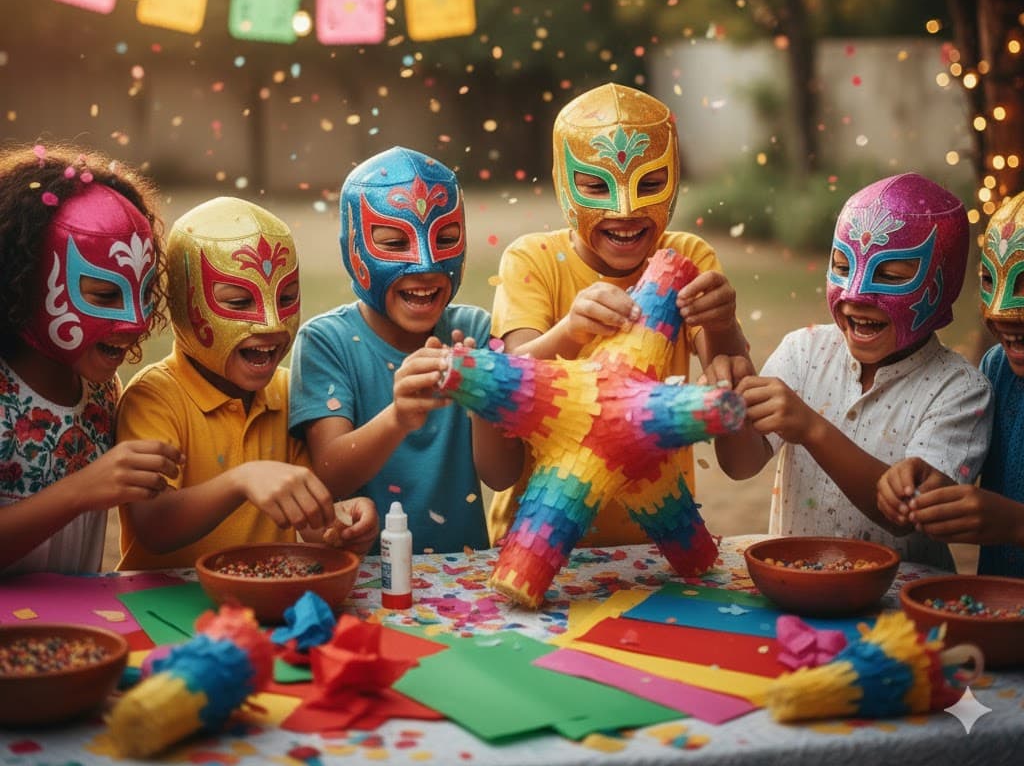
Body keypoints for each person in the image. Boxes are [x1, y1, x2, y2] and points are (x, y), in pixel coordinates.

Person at [487, 83, 750, 547]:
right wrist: (570, 331)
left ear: (674, 177)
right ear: (563, 181)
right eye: (595, 185)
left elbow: (724, 379)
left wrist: (723, 323)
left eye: (650, 184)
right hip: (538, 538)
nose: (624, 209)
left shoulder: (688, 255)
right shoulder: (532, 259)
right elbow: (508, 381)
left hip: (653, 542)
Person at [715, 172, 992, 569]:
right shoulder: (803, 350)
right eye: (842, 267)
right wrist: (729, 410)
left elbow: (905, 517)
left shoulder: (961, 391)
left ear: (939, 286)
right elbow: (741, 466)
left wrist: (811, 429)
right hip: (798, 586)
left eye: (891, 275)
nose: (854, 294)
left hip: (899, 609)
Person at [117, 196, 377, 569]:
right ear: (182, 303)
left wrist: (341, 520)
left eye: (286, 297)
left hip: (263, 605)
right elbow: (155, 527)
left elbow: (311, 525)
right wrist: (241, 481)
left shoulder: (291, 392)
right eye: (239, 301)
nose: (271, 323)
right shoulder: (154, 397)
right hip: (165, 612)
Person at [288, 146, 520, 554]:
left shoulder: (478, 330)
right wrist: (398, 417)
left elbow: (501, 476)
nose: (426, 265)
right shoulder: (325, 341)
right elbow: (328, 477)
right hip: (364, 582)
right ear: (354, 247)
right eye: (395, 243)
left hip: (462, 579)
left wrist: (485, 390)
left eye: (446, 238)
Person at [0, 143, 182, 575]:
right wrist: (82, 490)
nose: (137, 319)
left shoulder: (102, 391)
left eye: (143, 292)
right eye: (104, 294)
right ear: (23, 282)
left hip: (75, 631)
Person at [877, 190, 1024, 576]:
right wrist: (930, 483)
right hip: (999, 614)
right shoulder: (999, 368)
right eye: (990, 279)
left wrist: (1016, 524)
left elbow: (1006, 517)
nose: (1000, 311)